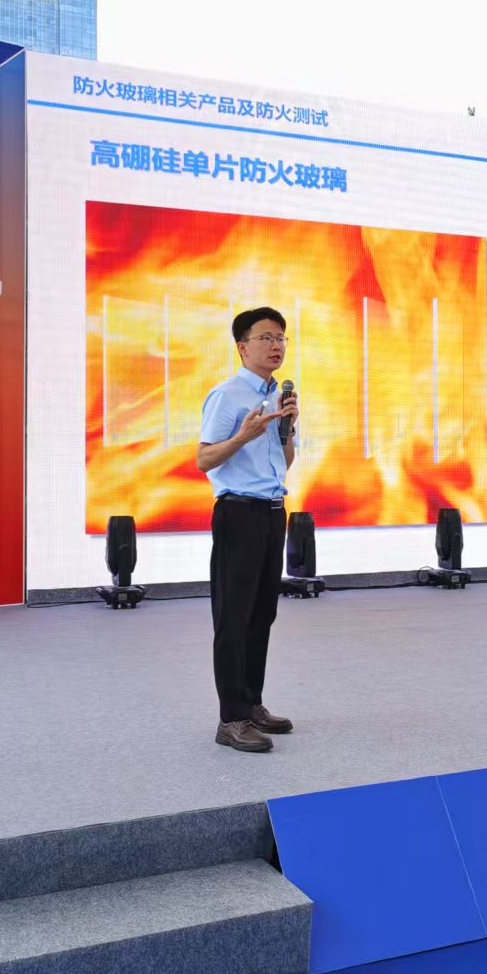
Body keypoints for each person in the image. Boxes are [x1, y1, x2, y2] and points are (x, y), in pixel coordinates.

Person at [197, 307, 299, 753]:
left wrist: (286, 430)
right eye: (266, 338)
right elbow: (203, 459)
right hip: (238, 514)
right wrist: (245, 435)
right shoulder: (228, 395)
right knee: (233, 618)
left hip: (273, 512)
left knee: (261, 616)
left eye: (281, 338)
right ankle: (231, 720)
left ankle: (252, 704)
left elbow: (285, 462)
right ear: (242, 347)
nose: (276, 346)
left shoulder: (278, 397)